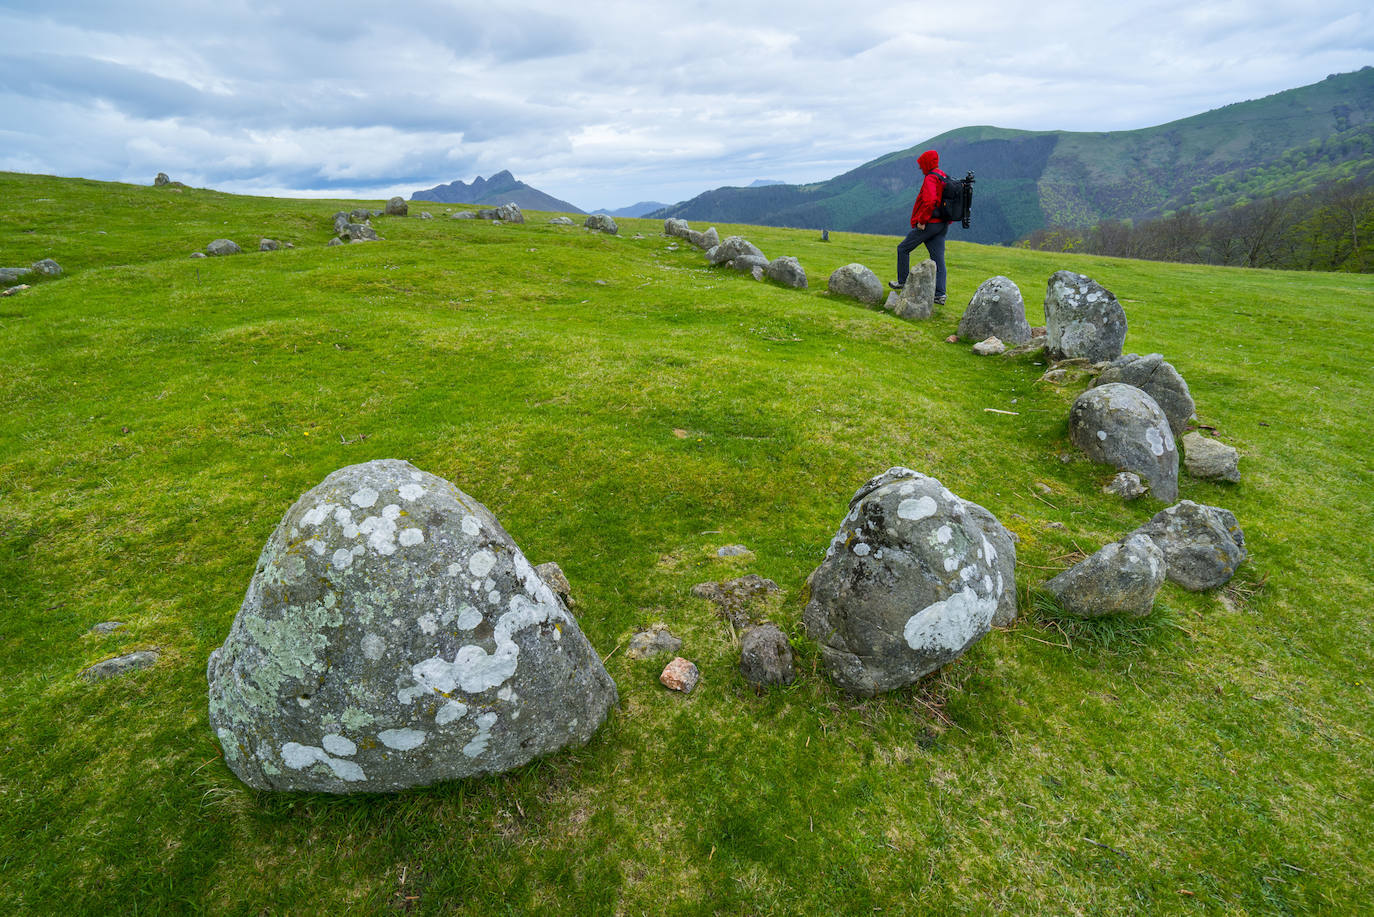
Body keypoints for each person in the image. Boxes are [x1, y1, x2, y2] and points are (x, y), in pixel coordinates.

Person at [892, 149, 949, 304]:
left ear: (927, 163)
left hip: (930, 224)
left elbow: (930, 202)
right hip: (942, 224)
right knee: (938, 259)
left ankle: (903, 281)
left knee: (903, 248)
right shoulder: (942, 175)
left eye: (921, 164)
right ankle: (939, 295)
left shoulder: (931, 178)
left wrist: (922, 220)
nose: (919, 168)